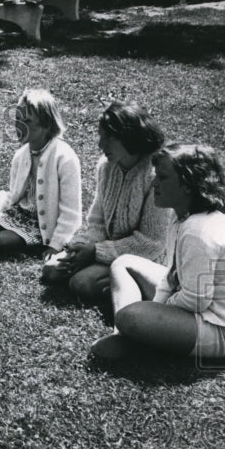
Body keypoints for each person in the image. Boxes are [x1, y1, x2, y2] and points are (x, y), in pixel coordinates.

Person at [91, 144, 225, 361]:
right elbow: (171, 276)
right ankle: (126, 335)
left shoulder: (199, 231)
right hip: (202, 309)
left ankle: (133, 333)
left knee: (130, 316)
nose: (154, 182)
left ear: (188, 185)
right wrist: (155, 312)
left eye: (163, 178)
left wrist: (154, 312)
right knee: (124, 262)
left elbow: (196, 301)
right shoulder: (183, 217)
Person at [45, 101, 170, 304]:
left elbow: (152, 242)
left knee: (82, 283)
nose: (101, 145)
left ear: (130, 137)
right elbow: (98, 221)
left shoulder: (155, 174)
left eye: (109, 138)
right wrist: (84, 246)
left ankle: (137, 293)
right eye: (101, 136)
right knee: (51, 270)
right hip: (107, 250)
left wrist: (96, 252)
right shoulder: (106, 167)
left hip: (146, 259)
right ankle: (121, 289)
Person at [0, 89, 81, 278]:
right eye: (17, 119)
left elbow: (71, 210)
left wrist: (56, 244)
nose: (19, 126)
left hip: (42, 223)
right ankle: (2, 226)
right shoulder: (22, 154)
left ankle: (31, 241)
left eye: (27, 122)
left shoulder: (64, 157)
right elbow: (13, 193)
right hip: (20, 213)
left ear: (46, 125)